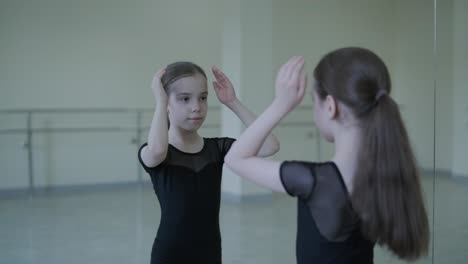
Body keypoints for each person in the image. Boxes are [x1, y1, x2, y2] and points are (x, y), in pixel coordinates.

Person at [224, 48, 429, 264]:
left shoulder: (314, 182)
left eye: (314, 101)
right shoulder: (383, 173)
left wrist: (281, 104)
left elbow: (235, 158)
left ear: (330, 107)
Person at [138, 61, 279, 264]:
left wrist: (233, 102)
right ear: (167, 102)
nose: (196, 107)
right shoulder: (154, 151)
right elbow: (158, 150)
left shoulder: (217, 148)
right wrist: (160, 102)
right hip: (170, 255)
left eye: (202, 98)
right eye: (184, 99)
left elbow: (270, 145)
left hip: (209, 253)